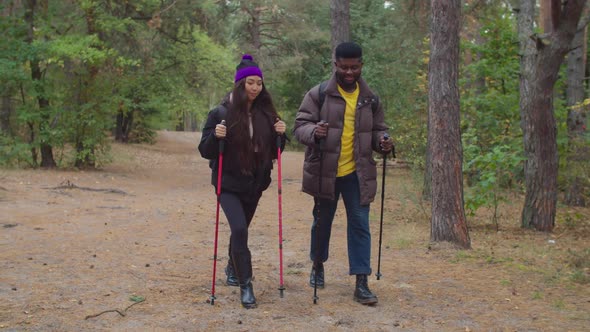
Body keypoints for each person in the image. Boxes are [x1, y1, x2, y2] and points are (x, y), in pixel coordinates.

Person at [293, 42, 393, 305]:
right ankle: (317, 263)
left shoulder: (370, 99)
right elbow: (300, 125)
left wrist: (383, 142)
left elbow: (378, 130)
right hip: (325, 171)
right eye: (344, 67)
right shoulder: (319, 94)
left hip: (357, 174)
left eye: (355, 67)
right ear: (335, 64)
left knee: (360, 225)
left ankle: (362, 281)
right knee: (322, 222)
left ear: (361, 65)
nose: (350, 72)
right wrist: (315, 132)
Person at [198, 54, 286, 309]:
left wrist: (282, 134)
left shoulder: (267, 114)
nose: (255, 87)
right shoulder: (221, 113)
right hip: (228, 184)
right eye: (250, 82)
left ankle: (232, 267)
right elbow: (205, 150)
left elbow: (275, 149)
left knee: (241, 229)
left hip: (255, 184)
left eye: (259, 83)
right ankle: (246, 285)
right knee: (239, 229)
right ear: (240, 84)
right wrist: (216, 136)